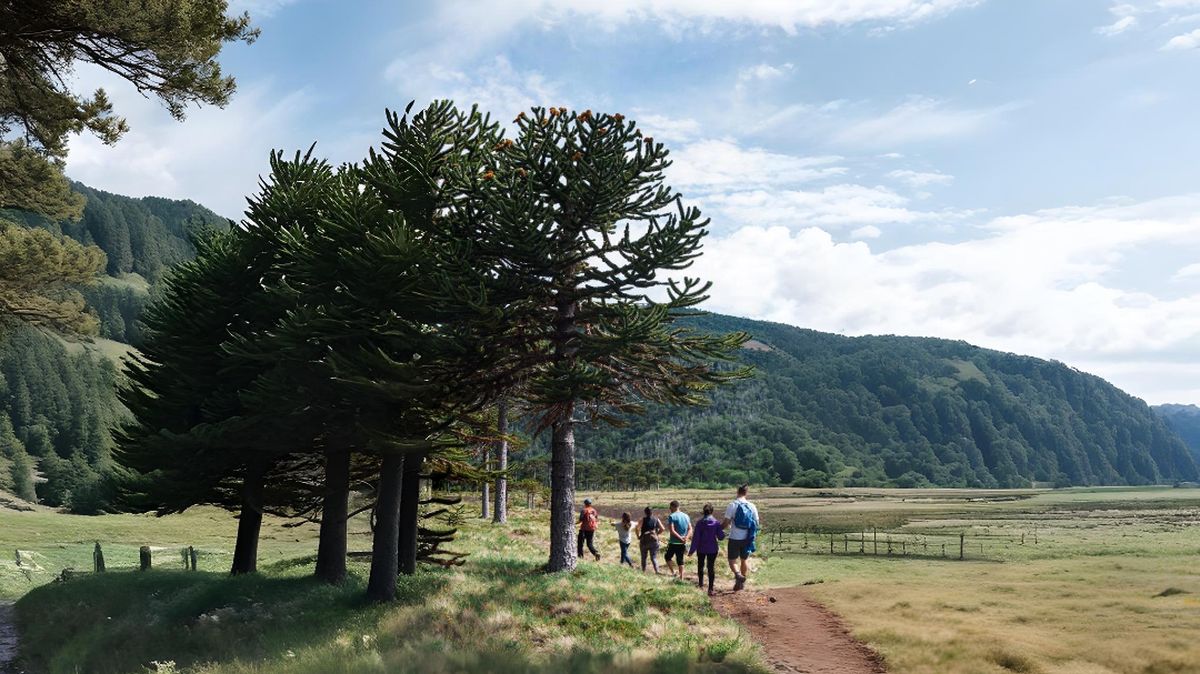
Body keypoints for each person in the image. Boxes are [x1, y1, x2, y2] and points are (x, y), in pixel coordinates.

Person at [721, 484, 760, 591]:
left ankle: (738, 575)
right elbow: (757, 523)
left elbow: (726, 523)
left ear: (737, 492)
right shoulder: (752, 506)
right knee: (744, 560)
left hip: (734, 537)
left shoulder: (732, 505)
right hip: (747, 538)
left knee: (732, 560)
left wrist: (718, 530)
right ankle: (742, 584)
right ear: (746, 493)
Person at [688, 503, 725, 595]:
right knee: (710, 567)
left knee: (700, 565)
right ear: (712, 511)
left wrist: (691, 550)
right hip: (712, 549)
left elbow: (696, 538)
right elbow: (721, 537)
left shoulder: (700, 523)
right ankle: (710, 589)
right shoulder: (716, 523)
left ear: (703, 512)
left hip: (701, 548)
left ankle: (700, 585)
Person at [664, 500, 691, 580]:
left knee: (667, 557)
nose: (669, 509)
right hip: (683, 543)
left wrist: (680, 539)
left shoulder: (672, 516)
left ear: (673, 506)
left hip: (674, 542)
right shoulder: (686, 516)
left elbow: (672, 531)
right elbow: (690, 529)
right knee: (680, 560)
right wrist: (686, 538)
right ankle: (681, 577)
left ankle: (673, 572)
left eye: (670, 507)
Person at [634, 506, 664, 574]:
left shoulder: (642, 520)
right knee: (653, 557)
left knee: (643, 557)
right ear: (652, 512)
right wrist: (656, 534)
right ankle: (657, 571)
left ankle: (643, 571)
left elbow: (637, 529)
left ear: (645, 512)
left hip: (644, 541)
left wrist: (638, 536)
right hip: (654, 541)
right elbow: (663, 529)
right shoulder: (656, 519)